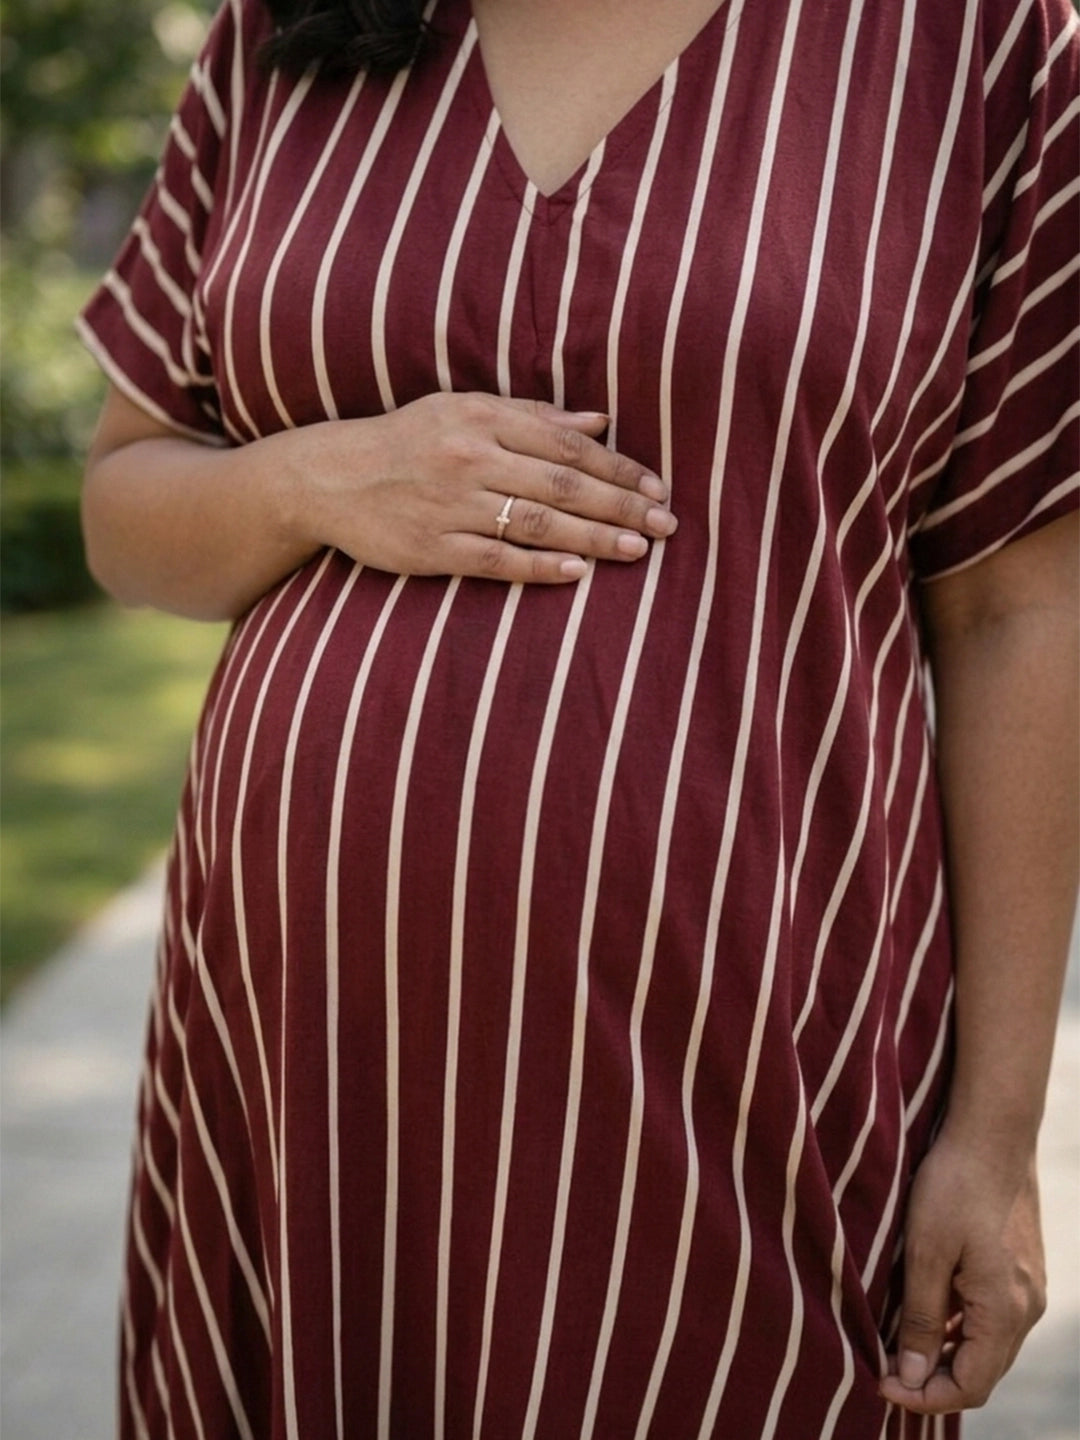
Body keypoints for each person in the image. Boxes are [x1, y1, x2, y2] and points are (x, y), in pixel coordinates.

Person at [76, 0, 1078, 1434]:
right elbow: (125, 505)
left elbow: (1018, 609)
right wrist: (316, 478)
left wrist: (995, 1132)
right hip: (294, 1056)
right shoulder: (285, 27)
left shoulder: (979, 42)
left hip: (751, 1043)